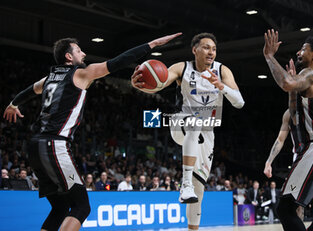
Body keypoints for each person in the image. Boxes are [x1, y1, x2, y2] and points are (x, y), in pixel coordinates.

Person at [3, 32, 181, 231]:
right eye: (79, 51)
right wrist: (152, 44)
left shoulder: (49, 79)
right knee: (82, 206)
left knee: (60, 208)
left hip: (35, 146)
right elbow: (117, 62)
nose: (84, 53)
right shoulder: (81, 74)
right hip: (55, 145)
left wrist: (13, 103)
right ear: (69, 57)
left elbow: (28, 91)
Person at [131, 32, 244, 231]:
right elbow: (157, 85)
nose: (211, 52)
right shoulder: (181, 67)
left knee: (198, 191)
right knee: (194, 121)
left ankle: (192, 219)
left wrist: (221, 87)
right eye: (207, 47)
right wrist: (139, 85)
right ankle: (184, 184)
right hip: (180, 123)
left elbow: (240, 102)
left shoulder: (222, 71)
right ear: (195, 50)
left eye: (214, 49)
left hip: (207, 133)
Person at [263, 29, 313, 231]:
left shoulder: (312, 74)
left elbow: (286, 83)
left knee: (286, 208)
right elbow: (295, 115)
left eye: (303, 49)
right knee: (289, 207)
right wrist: (293, 91)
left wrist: (269, 56)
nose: (299, 53)